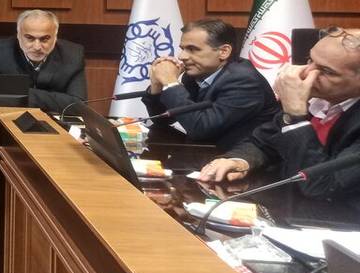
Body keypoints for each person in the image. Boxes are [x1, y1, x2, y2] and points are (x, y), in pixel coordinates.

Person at [199, 27, 360, 198]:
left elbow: (322, 185)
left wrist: (296, 116)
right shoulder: (318, 99)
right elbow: (264, 142)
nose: (307, 73)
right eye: (310, 60)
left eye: (327, 72)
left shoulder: (302, 101)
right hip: (288, 203)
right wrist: (239, 161)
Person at [141, 18, 279, 150]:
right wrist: (157, 86)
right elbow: (164, 119)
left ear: (224, 52)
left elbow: (200, 129)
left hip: (241, 161)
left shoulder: (244, 81)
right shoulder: (194, 76)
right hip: (205, 155)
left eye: (192, 49)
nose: (182, 56)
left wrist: (170, 82)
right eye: (182, 49)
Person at [0, 9, 86, 113]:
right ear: (18, 35)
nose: (37, 47)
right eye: (30, 38)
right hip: (8, 117)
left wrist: (22, 94)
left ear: (55, 37)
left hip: (54, 120)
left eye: (44, 39)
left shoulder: (73, 55)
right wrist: (55, 99)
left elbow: (78, 105)